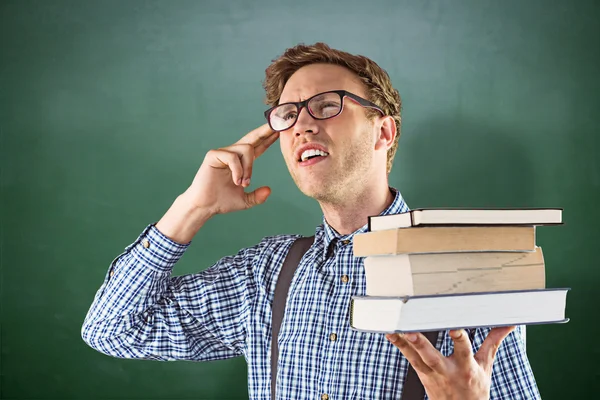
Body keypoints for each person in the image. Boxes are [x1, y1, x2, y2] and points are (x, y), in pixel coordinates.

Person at [81, 42, 541, 399]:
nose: (302, 124)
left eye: (326, 105)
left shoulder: (465, 275)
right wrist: (192, 206)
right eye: (288, 114)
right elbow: (113, 328)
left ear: (384, 130)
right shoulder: (266, 274)